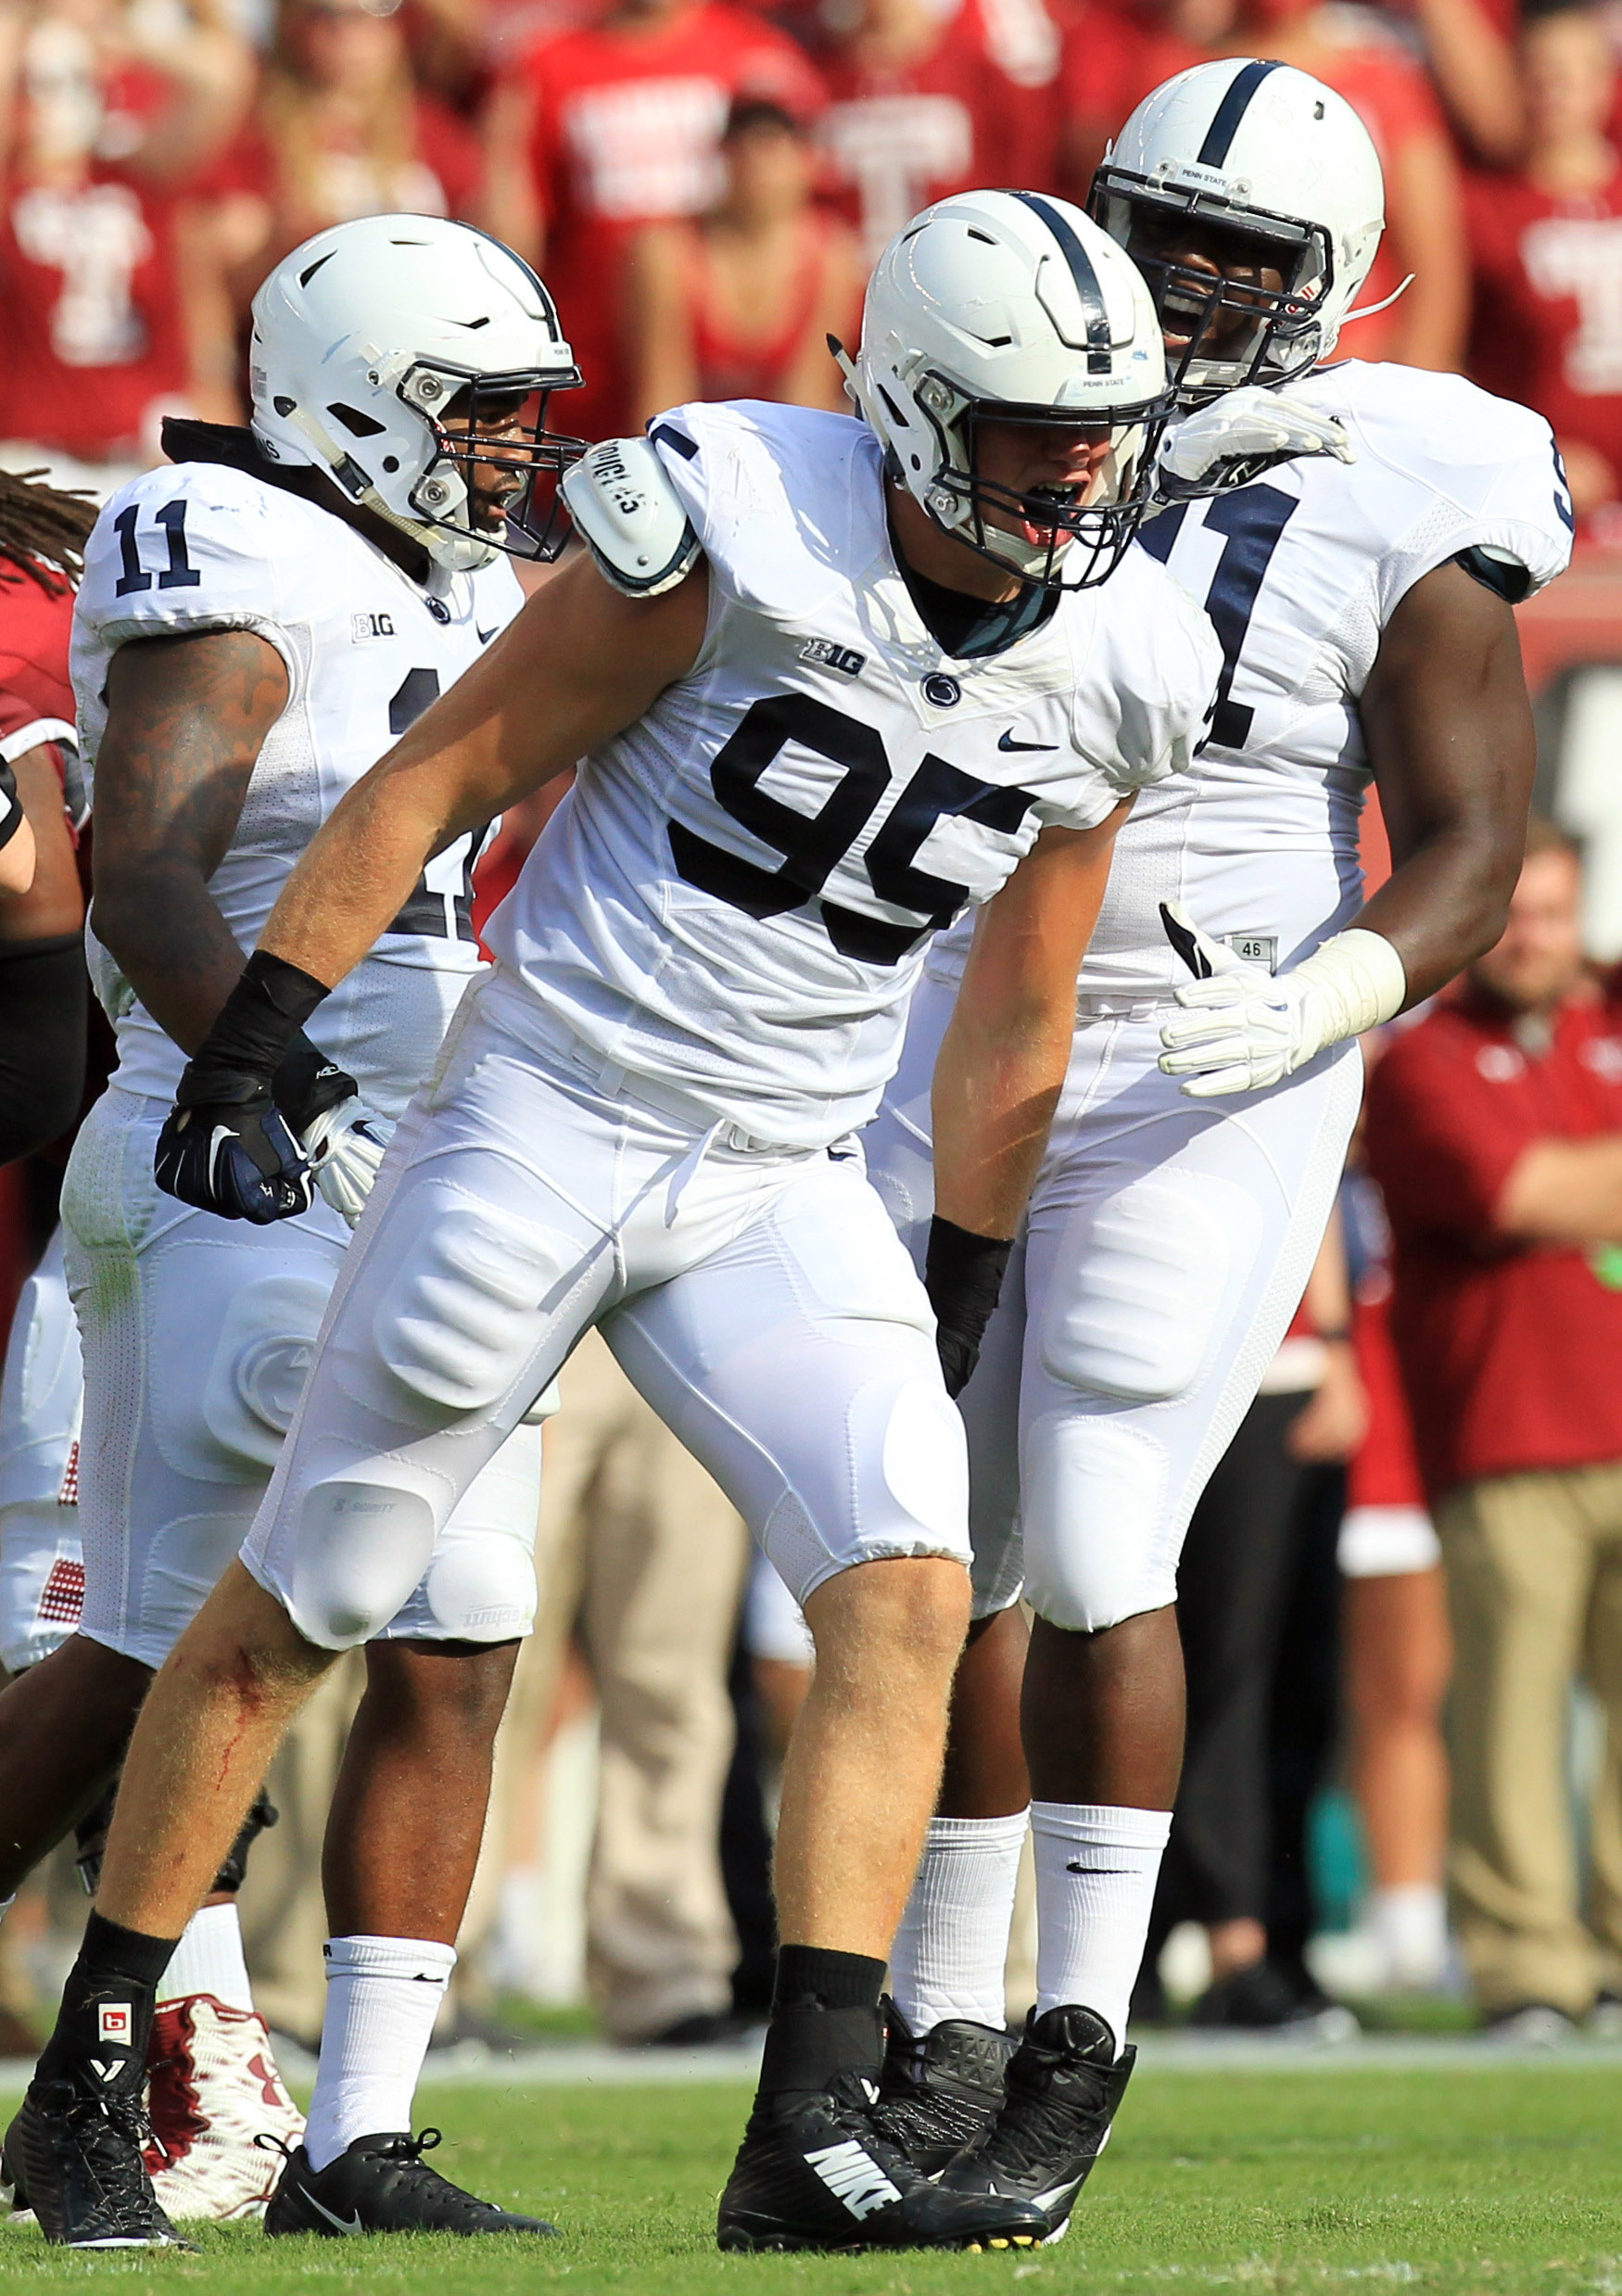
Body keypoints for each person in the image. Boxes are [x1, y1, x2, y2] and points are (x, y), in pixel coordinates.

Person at [9, 189, 1226, 2253]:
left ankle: (807, 2125)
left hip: (779, 1158)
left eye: (1096, 431)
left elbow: (1022, 994)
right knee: (308, 1590)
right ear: (922, 403)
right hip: (547, 1109)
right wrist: (251, 1054)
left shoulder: (1127, 650)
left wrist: (966, 1261)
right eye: (1030, 427)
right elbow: (437, 773)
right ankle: (96, 2048)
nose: (1074, 471)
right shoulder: (738, 506)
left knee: (907, 1569)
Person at [862, 58, 1572, 2238]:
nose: (1179, 286)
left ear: (1329, 282)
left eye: (1232, 256)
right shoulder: (999, 375)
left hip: (1212, 1045)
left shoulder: (1408, 466)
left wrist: (1335, 992)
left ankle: (1078, 2028)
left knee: (1089, 1535)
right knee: (922, 1543)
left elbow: (1479, 837)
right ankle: (933, 2022)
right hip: (953, 1028)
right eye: (1158, 230)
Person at [0, 212, 581, 2240]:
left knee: (461, 1627)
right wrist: (289, 1096)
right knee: (161, 1641)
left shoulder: (479, 578)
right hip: (218, 1136)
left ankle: (360, 2130)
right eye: (474, 410)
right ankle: (91, 2083)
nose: (509, 449)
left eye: (524, 412)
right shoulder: (233, 547)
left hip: (435, 1147)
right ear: (346, 399)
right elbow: (148, 871)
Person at [1363, 821, 1622, 2036]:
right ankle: (1525, 1967)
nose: (1535, 938)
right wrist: (1571, 1181)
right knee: (1511, 1716)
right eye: (1512, 915)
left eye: (1555, 913)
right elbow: (1512, 1193)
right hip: (1505, 1433)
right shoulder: (1421, 1061)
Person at [481, 0, 823, 442]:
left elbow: (800, 197)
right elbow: (516, 235)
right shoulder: (550, 63)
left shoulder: (758, 57)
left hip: (721, 347)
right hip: (590, 364)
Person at [0, 0, 251, 491]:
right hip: (33, 460)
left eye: (77, 80)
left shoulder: (136, 178)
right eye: (41, 84)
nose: (59, 101)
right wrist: (24, 26)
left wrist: (112, 32)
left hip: (145, 460)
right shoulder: (11, 191)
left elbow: (222, 81)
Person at [1466, 3, 1622, 539]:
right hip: (1544, 498)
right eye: (1537, 74)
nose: (1553, 91)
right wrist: (1531, 463)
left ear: (1605, 83)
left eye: (1570, 75)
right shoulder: (1483, 207)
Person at [624, 99, 864, 428]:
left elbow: (808, 407)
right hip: (689, 449)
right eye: (748, 150)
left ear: (808, 161)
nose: (761, 170)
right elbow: (662, 399)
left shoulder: (833, 257)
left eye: (774, 150)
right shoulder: (669, 253)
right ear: (723, 157)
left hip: (782, 446)